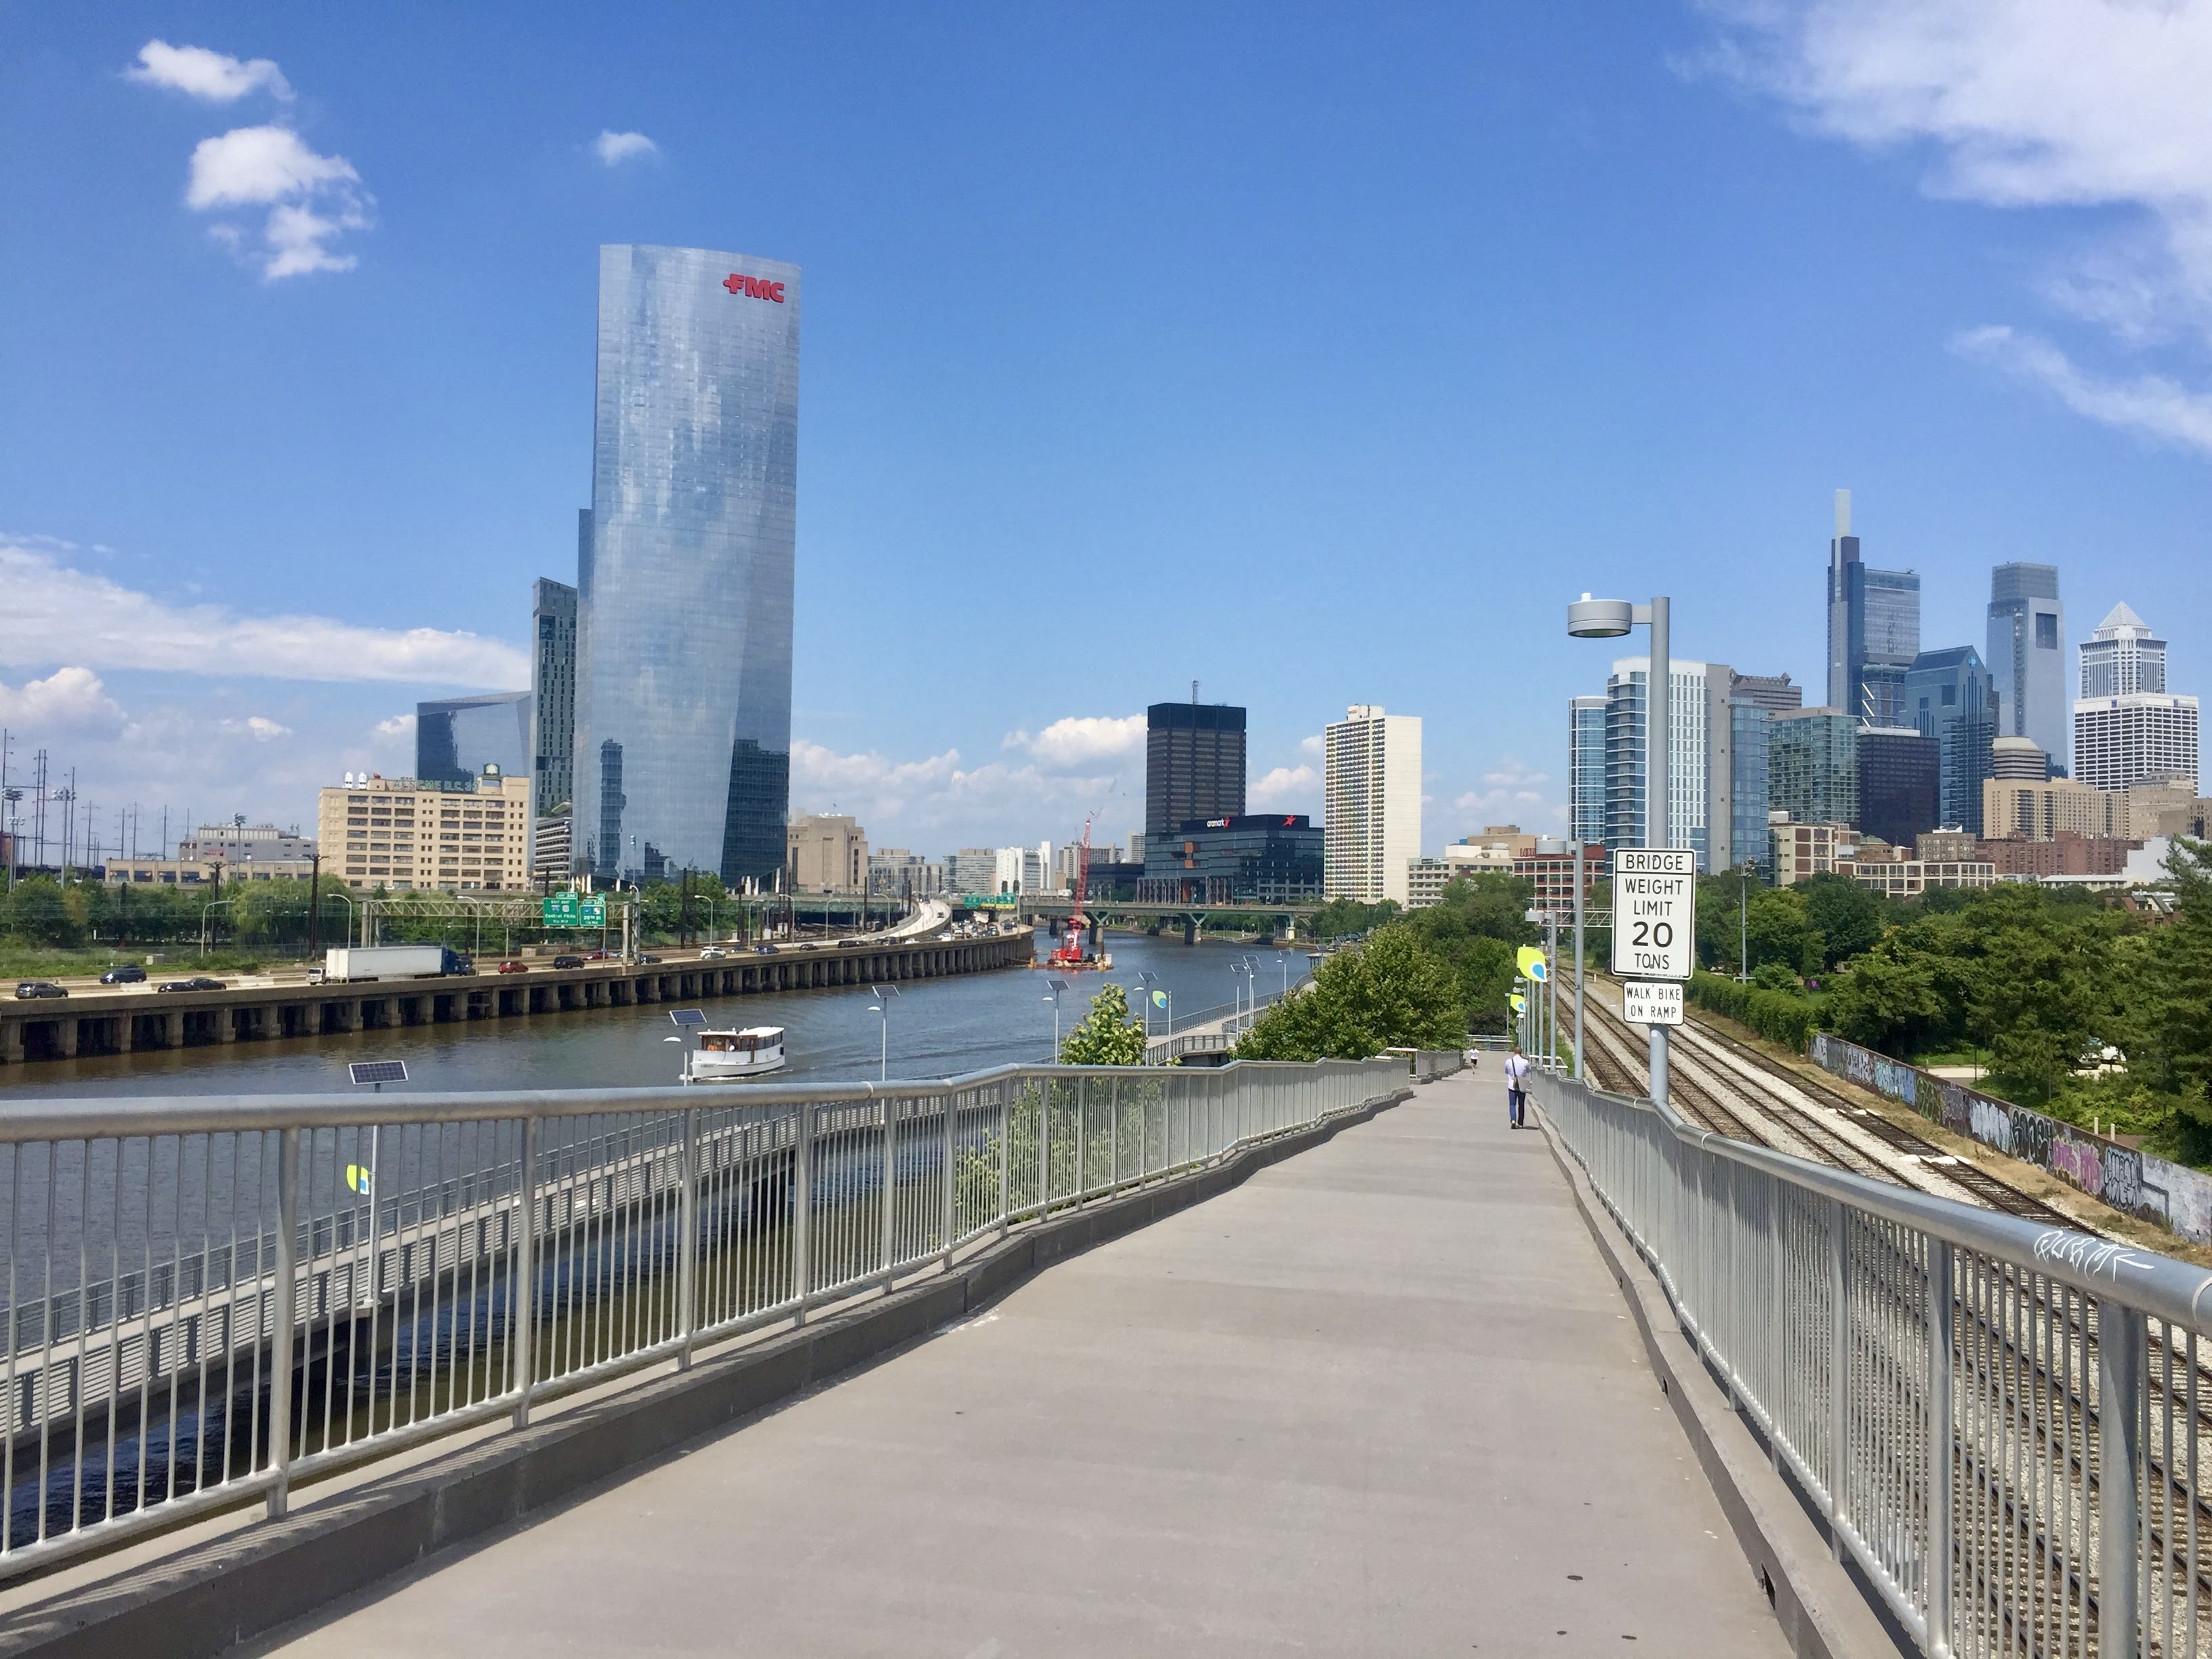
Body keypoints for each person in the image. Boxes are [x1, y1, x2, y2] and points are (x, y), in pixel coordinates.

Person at [1502, 1045, 1532, 1129]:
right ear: (1521, 1052)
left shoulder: (1509, 1061)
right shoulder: (1525, 1062)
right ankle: (1521, 1123)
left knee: (1512, 1104)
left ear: (1514, 1052)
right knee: (1521, 1104)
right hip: (1522, 1085)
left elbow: (1506, 1071)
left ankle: (1513, 1120)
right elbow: (1528, 1071)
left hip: (1512, 1085)